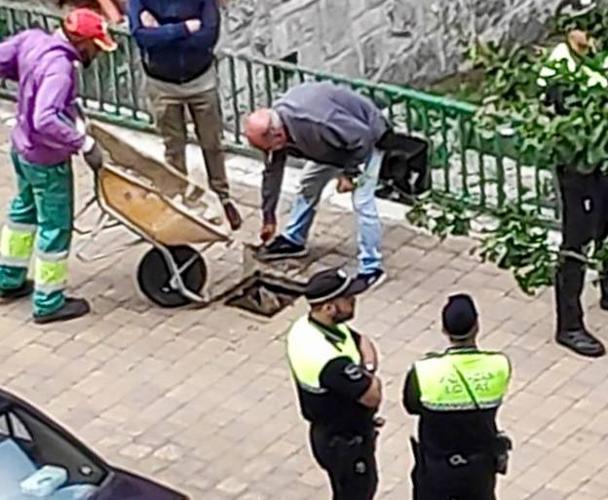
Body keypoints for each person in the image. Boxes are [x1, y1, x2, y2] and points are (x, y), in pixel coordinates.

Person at [0, 8, 116, 323]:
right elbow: (46, 118)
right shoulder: (61, 70)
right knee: (55, 227)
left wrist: (28, 80)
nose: (97, 53)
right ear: (82, 42)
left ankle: (7, 279)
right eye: (96, 46)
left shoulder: (32, 40)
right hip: (47, 160)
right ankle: (49, 301)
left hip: (21, 146)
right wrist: (84, 143)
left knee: (22, 214)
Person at [244, 82, 391, 289]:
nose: (270, 153)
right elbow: (272, 172)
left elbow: (362, 138)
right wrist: (268, 217)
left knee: (362, 201)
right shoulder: (276, 129)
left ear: (277, 135)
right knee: (308, 184)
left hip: (366, 141)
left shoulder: (317, 122)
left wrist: (348, 174)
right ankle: (294, 240)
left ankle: (371, 268)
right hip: (331, 146)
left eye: (268, 148)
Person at [128, 0, 242, 230]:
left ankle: (222, 195)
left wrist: (160, 31)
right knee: (173, 145)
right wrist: (184, 28)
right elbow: (140, 36)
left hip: (201, 80)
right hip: (161, 83)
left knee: (212, 143)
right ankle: (179, 198)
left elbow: (207, 37)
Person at [538, 29, 608, 357]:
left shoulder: (597, 55)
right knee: (576, 242)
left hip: (602, 160)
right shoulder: (559, 69)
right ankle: (569, 325)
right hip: (576, 167)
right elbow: (566, 121)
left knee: (605, 227)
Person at [403, 294, 512, 500]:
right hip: (479, 468)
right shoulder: (499, 365)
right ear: (477, 325)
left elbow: (411, 406)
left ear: (444, 330)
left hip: (437, 467)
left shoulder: (425, 370)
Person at [286, 268, 383, 500]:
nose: (354, 301)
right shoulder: (328, 360)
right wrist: (371, 375)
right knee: (356, 493)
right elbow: (372, 395)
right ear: (329, 307)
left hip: (337, 434)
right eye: (348, 299)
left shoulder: (311, 326)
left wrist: (365, 370)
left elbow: (362, 340)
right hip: (343, 442)